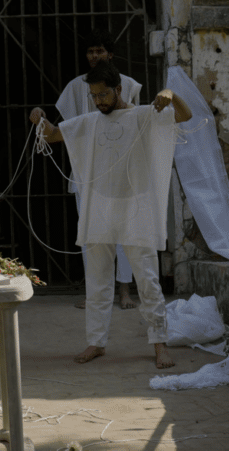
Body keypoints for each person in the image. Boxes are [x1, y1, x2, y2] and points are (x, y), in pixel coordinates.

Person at [29, 61, 191, 369]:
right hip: (98, 208)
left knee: (147, 278)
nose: (99, 101)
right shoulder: (89, 122)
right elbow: (51, 135)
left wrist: (170, 93)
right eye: (94, 96)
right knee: (97, 279)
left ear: (118, 89)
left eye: (104, 94)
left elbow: (185, 115)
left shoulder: (144, 115)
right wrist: (39, 117)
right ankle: (96, 342)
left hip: (136, 207)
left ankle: (159, 343)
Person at [56, 28, 143, 310]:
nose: (95, 56)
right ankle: (96, 292)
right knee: (92, 233)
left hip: (121, 168)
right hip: (86, 170)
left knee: (124, 231)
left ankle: (125, 291)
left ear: (110, 55)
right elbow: (68, 129)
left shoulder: (128, 85)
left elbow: (135, 123)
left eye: (100, 51)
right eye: (91, 52)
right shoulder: (74, 87)